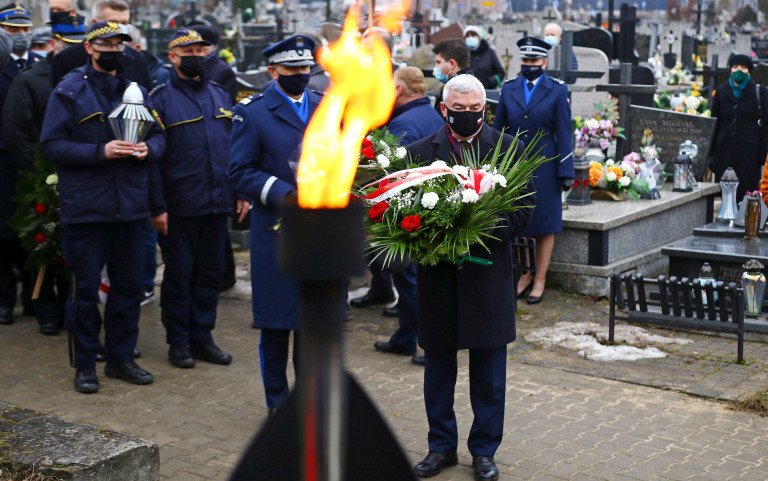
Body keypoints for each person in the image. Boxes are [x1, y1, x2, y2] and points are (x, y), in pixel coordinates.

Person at [407, 74, 534, 481]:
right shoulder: (421, 153)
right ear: (443, 109)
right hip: (438, 280)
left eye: (474, 109)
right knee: (438, 371)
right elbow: (402, 210)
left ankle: (484, 451)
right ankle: (440, 447)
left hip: (487, 279)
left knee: (489, 374)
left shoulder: (508, 151)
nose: (467, 116)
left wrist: (471, 231)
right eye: (458, 110)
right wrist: (433, 233)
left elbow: (522, 212)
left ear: (486, 107)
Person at [40, 21, 164, 393]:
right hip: (87, 208)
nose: (113, 49)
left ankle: (121, 359)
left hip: (130, 207)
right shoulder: (69, 90)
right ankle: (85, 365)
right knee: (85, 292)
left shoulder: (136, 90)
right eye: (105, 43)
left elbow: (160, 136)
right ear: (90, 48)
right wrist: (100, 151)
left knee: (127, 288)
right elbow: (51, 146)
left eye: (118, 44)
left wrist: (147, 149)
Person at [228, 34, 323, 414]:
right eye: (292, 69)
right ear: (273, 71)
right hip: (276, 230)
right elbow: (239, 171)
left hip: (319, 231)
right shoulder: (252, 112)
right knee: (276, 324)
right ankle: (277, 406)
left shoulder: (323, 106)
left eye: (306, 68)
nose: (301, 74)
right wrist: (285, 193)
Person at [148, 28, 239, 369]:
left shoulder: (219, 94)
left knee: (210, 275)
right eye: (188, 50)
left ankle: (203, 337)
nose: (197, 55)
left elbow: (234, 148)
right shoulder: (158, 99)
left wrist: (239, 192)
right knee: (179, 276)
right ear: (172, 56)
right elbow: (151, 161)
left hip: (216, 203)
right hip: (179, 206)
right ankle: (178, 342)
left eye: (202, 49)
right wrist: (156, 207)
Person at [1, 13, 86, 335]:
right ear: (54, 44)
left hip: (75, 171)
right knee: (35, 239)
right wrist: (40, 171)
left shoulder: (83, 80)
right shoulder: (31, 78)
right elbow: (18, 130)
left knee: (67, 245)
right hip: (31, 173)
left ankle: (65, 300)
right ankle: (37, 302)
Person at [371, 67, 444, 367]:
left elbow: (391, 171)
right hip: (434, 207)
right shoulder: (432, 115)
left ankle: (424, 342)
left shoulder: (402, 123)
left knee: (410, 281)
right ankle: (406, 336)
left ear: (399, 89)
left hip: (408, 212)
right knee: (416, 279)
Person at [493, 36, 574, 305]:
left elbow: (564, 132)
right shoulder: (509, 88)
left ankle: (540, 278)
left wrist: (566, 171)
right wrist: (494, 166)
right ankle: (525, 274)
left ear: (545, 62)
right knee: (522, 222)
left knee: (545, 225)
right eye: (525, 60)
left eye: (535, 60)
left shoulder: (558, 90)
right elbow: (500, 130)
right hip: (515, 165)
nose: (529, 65)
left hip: (546, 166)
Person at [0, 3, 41, 326]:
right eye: (14, 31)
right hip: (2, 161)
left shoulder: (38, 67)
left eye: (25, 30)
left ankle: (33, 296)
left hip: (31, 159)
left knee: (35, 229)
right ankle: (4, 298)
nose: (21, 36)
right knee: (3, 232)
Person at [51, 0, 150, 88]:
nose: (119, 27)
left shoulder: (138, 59)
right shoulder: (67, 58)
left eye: (124, 23)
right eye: (112, 22)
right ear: (95, 23)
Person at [709, 53, 768, 202]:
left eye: (743, 67)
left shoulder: (759, 92)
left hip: (749, 156)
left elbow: (766, 126)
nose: (739, 70)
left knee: (746, 196)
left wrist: (763, 154)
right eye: (735, 67)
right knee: (726, 196)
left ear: (749, 71)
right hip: (725, 154)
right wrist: (711, 155)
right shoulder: (721, 92)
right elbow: (714, 124)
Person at [464, 26, 505, 90]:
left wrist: (489, 82)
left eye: (473, 35)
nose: (470, 38)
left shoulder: (490, 53)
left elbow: (500, 73)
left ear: (479, 38)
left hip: (487, 92)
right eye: (468, 36)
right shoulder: (463, 54)